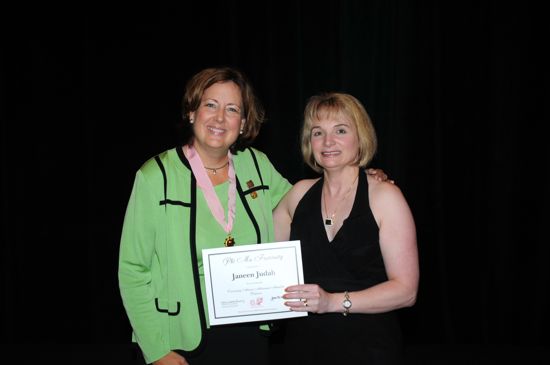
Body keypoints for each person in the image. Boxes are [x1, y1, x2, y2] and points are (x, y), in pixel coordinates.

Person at [118, 67, 391, 365]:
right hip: (182, 338)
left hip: (250, 330)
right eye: (210, 105)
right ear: (192, 113)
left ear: (244, 123)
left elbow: (310, 202)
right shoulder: (156, 177)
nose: (220, 118)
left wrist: (360, 177)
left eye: (232, 109)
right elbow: (133, 270)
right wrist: (156, 350)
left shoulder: (256, 165)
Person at [272, 92, 418, 365]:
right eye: (318, 132)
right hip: (301, 347)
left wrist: (332, 302)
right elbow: (262, 253)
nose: (328, 142)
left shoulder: (385, 196)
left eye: (340, 130)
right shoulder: (297, 194)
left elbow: (406, 291)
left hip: (369, 348)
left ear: (360, 137)